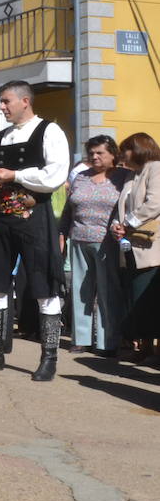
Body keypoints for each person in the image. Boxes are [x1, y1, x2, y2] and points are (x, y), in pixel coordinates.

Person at [0, 80, 70, 381]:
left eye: (6, 100)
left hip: (34, 216)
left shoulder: (49, 130)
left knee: (44, 283)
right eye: (1, 101)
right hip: (0, 218)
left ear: (25, 101)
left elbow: (55, 174)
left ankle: (49, 356)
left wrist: (16, 174)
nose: (2, 106)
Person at [61, 135, 128, 357]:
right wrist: (62, 233)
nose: (95, 157)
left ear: (113, 155)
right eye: (92, 153)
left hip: (107, 241)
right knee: (81, 290)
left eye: (100, 153)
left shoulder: (123, 178)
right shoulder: (80, 177)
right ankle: (81, 339)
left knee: (108, 292)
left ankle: (108, 341)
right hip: (79, 238)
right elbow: (68, 210)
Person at [112, 133, 160, 362]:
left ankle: (151, 348)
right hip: (131, 246)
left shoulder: (155, 168)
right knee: (134, 296)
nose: (122, 156)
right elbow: (123, 205)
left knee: (148, 299)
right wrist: (118, 225)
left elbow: (155, 202)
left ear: (139, 148)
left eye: (126, 150)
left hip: (150, 246)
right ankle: (143, 346)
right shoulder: (132, 175)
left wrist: (128, 223)